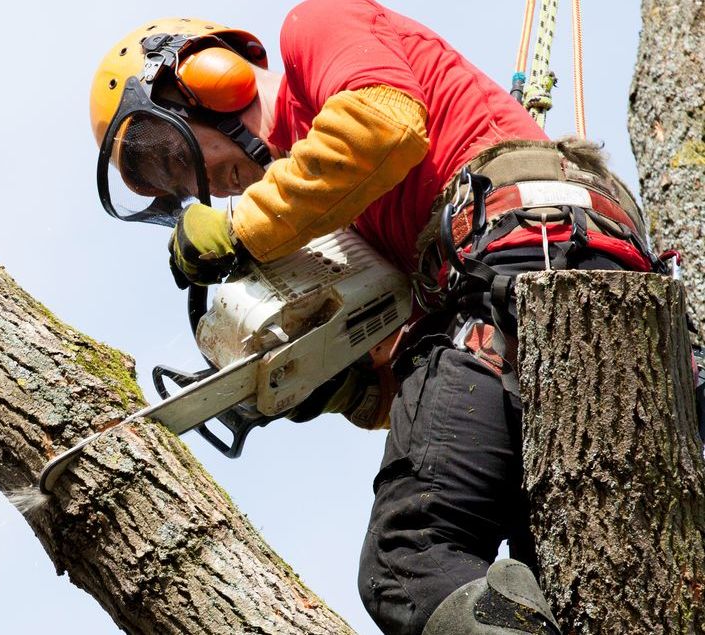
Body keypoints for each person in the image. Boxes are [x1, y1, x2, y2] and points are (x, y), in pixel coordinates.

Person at [88, 2, 657, 634]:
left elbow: (385, 123)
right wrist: (347, 385)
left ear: (209, 79)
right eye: (167, 187)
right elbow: (436, 376)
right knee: (567, 581)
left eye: (169, 156)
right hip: (549, 286)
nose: (204, 189)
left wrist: (240, 230)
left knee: (408, 559)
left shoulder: (316, 29)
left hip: (525, 249)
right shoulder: (350, 216)